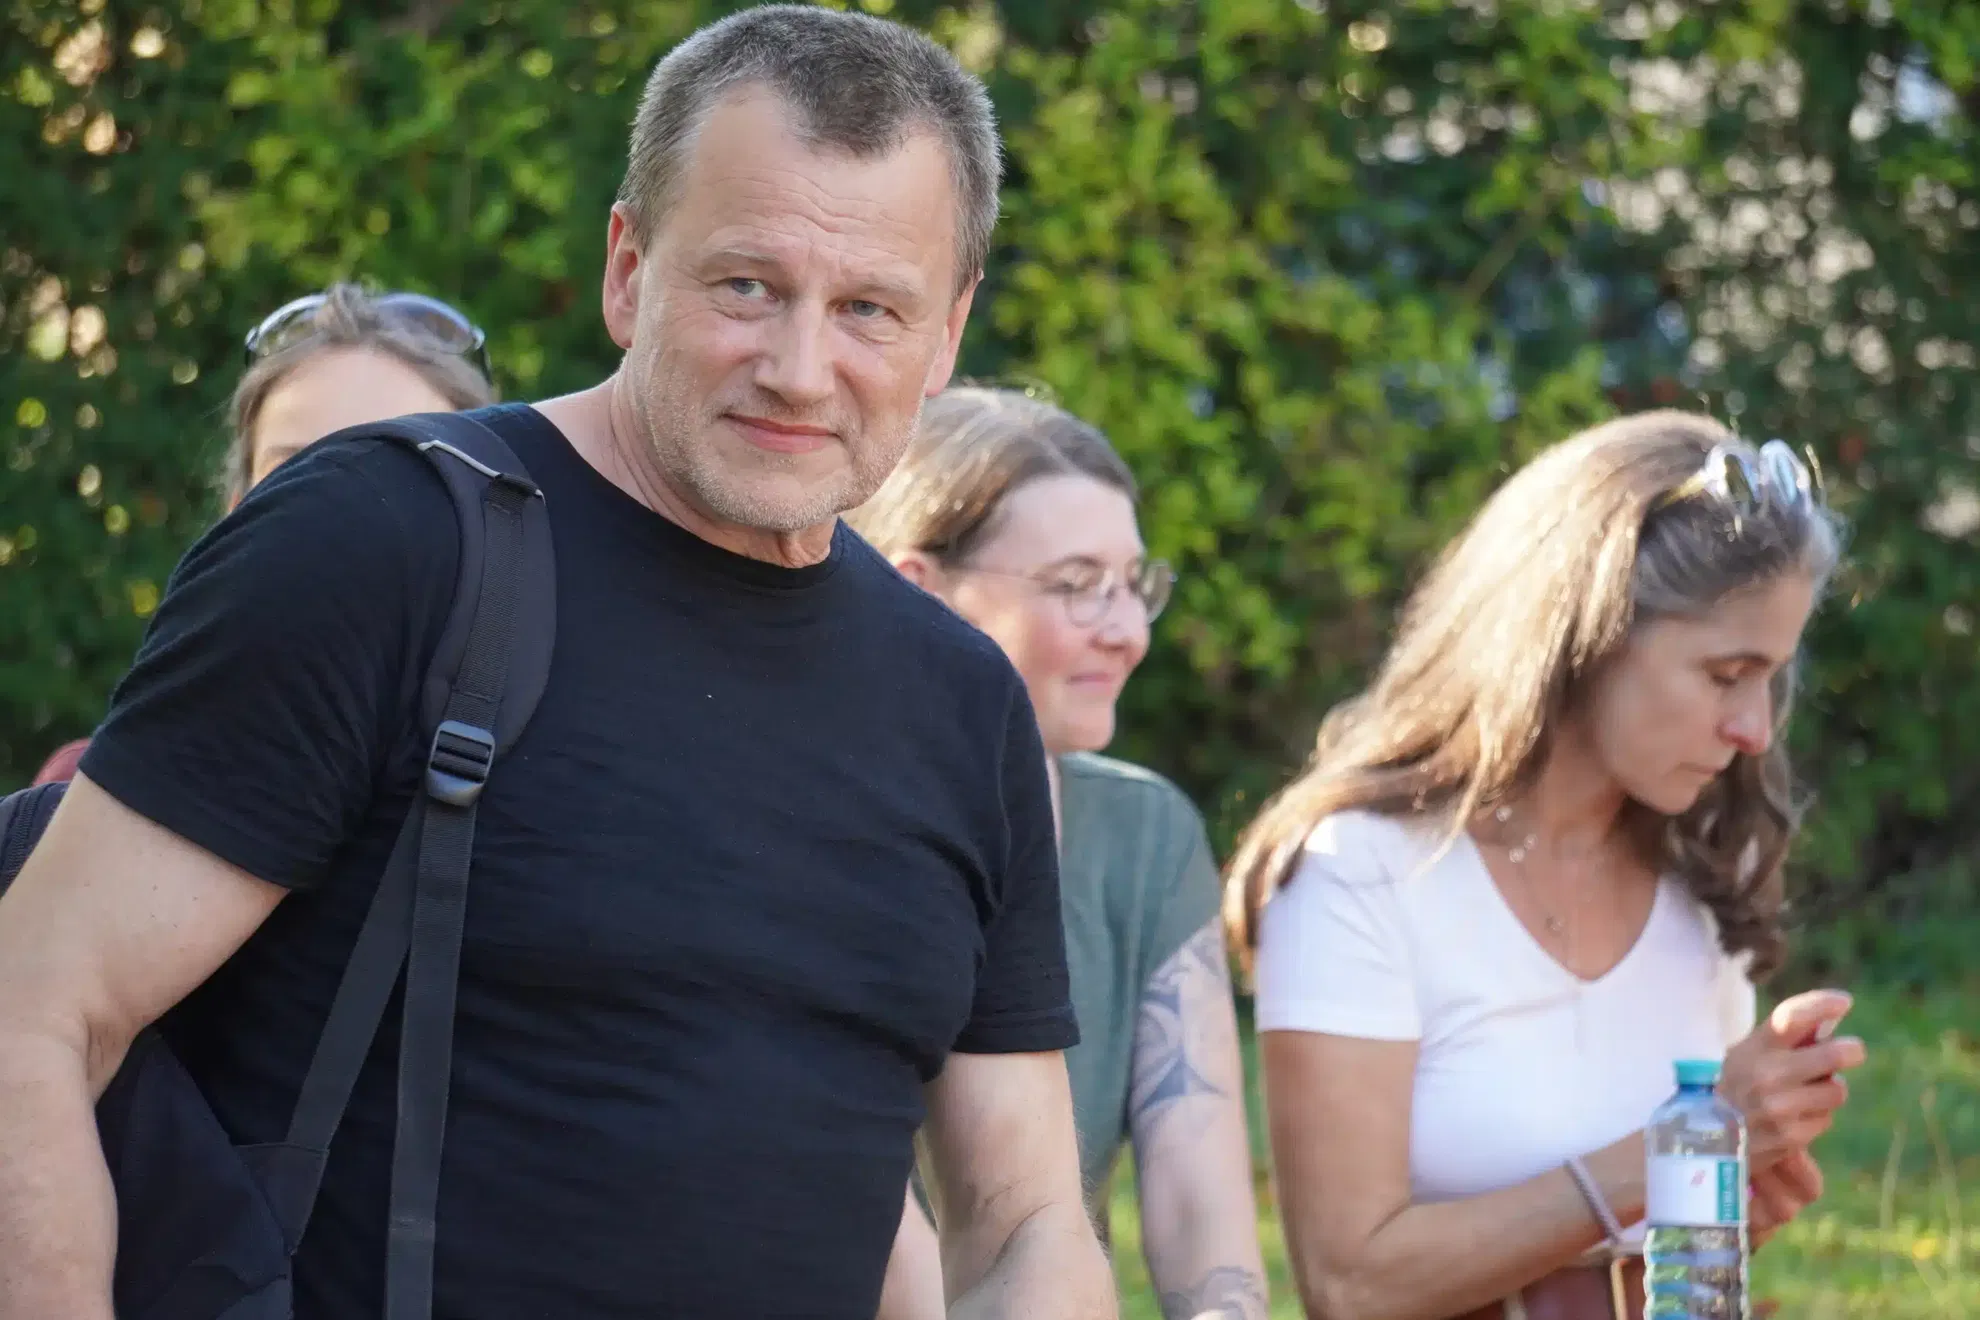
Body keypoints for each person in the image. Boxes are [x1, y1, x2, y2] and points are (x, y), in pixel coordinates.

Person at [0, 8, 1114, 1320]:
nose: (800, 369)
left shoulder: (963, 703)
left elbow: (1027, 1220)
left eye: (868, 308)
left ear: (948, 333)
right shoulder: (383, 542)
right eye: (746, 286)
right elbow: (36, 1016)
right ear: (628, 271)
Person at [1223, 411, 1869, 1320]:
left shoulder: (1706, 867)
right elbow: (1349, 1285)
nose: (1755, 729)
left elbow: (1674, 1267)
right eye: (1727, 675)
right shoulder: (1360, 872)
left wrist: (1727, 1214)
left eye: (1772, 678)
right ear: (1585, 637)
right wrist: (1675, 1153)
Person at [850, 388, 1269, 1320]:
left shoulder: (1146, 832)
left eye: (1134, 584)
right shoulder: (810, 830)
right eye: (1078, 585)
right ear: (919, 591)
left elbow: (1197, 1189)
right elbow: (862, 1224)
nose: (1128, 632)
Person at [28, 282, 499, 787]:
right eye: (296, 476)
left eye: (400, 478)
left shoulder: (544, 801)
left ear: (490, 535)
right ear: (236, 519)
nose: (344, 520)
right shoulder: (88, 793)